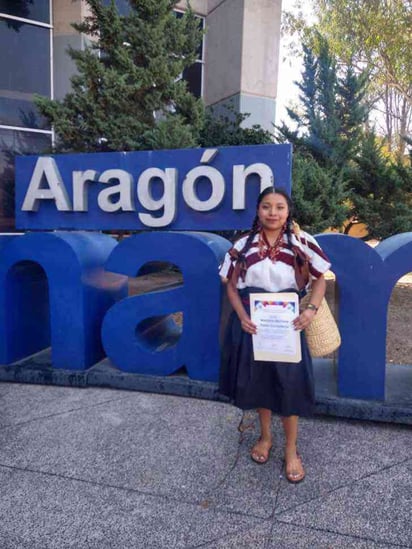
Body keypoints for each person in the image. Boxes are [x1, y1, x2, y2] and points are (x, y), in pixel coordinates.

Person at [219, 186, 331, 483]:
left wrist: (311, 311)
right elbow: (230, 286)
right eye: (266, 206)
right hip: (252, 326)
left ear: (287, 211)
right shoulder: (243, 245)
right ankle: (266, 437)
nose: (272, 212)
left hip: (288, 326)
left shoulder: (303, 242)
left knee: (289, 386)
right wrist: (242, 317)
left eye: (279, 207)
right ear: (258, 210)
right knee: (260, 383)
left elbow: (321, 280)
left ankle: (292, 450)